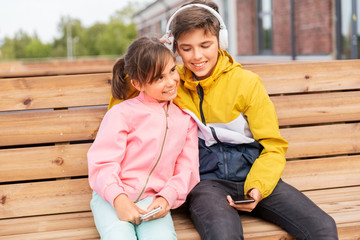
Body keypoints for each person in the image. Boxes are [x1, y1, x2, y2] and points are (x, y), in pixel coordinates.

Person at [108, 1, 338, 240]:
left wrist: (258, 186)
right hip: (207, 184)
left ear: (221, 42)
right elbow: (129, 101)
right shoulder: (173, 85)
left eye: (205, 45)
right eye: (186, 48)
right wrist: (155, 49)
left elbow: (273, 146)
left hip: (254, 175)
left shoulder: (247, 83)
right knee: (224, 235)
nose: (197, 56)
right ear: (175, 48)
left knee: (323, 227)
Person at [88, 36, 200, 240]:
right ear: (138, 83)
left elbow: (187, 168)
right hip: (112, 199)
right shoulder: (121, 114)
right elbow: (103, 162)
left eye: (172, 70)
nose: (171, 82)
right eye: (159, 78)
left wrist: (167, 197)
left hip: (153, 201)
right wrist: (119, 199)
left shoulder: (185, 120)